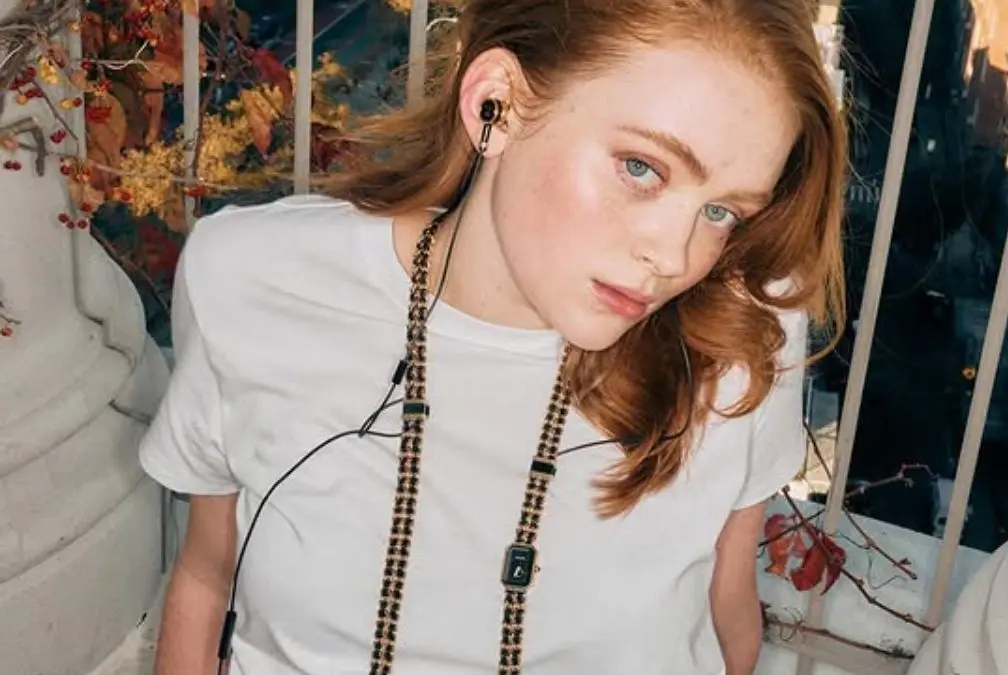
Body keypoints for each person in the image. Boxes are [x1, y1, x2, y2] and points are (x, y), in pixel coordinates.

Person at [138, 1, 847, 674]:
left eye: (722, 211)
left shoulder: (742, 338)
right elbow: (207, 575)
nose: (674, 256)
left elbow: (727, 612)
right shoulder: (256, 279)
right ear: (496, 106)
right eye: (641, 169)